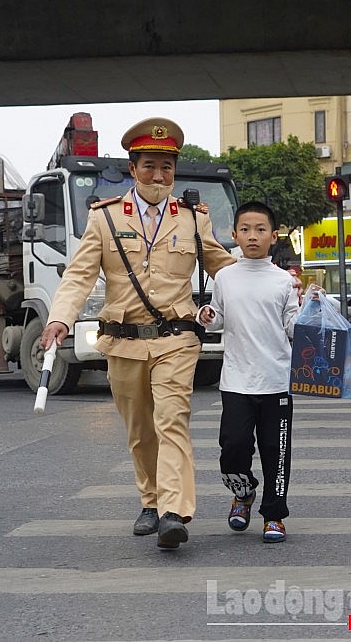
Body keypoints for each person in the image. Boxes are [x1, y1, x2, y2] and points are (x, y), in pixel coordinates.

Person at [41, 117, 236, 551]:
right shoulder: (105, 219)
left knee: (172, 422)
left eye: (167, 167)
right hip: (124, 340)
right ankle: (150, 500)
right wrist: (60, 319)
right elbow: (78, 276)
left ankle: (174, 512)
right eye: (149, 166)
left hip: (176, 339)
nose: (159, 176)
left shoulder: (192, 219)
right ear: (133, 169)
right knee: (140, 430)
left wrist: (274, 281)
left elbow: (224, 265)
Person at [198, 201, 301, 543]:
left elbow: (292, 327)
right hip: (237, 381)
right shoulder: (225, 277)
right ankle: (243, 493)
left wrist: (311, 307)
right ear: (234, 235)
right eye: (245, 229)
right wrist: (208, 316)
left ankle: (274, 515)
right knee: (233, 446)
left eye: (260, 230)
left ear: (274, 236)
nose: (252, 236)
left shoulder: (284, 281)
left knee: (276, 450)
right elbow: (220, 316)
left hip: (276, 381)